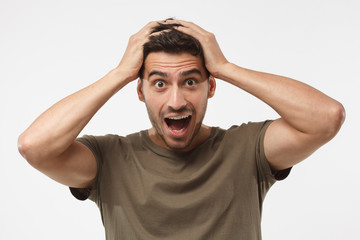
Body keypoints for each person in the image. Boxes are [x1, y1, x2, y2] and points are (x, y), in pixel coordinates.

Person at [18, 19, 345, 240]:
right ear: (140, 90)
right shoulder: (108, 160)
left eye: (190, 81)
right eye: (159, 83)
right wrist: (119, 73)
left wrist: (228, 67)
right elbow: (34, 146)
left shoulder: (248, 149)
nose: (176, 101)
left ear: (210, 86)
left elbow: (327, 117)